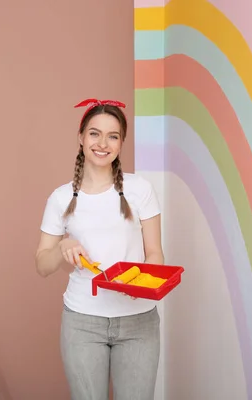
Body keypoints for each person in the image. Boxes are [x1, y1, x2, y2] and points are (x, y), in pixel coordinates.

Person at [34, 98, 164, 400]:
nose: (102, 143)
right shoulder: (60, 198)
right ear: (81, 138)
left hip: (139, 321)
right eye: (94, 133)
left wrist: (142, 283)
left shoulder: (140, 189)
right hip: (82, 322)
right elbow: (42, 264)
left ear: (121, 143)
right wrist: (62, 247)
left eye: (113, 135)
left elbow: (155, 253)